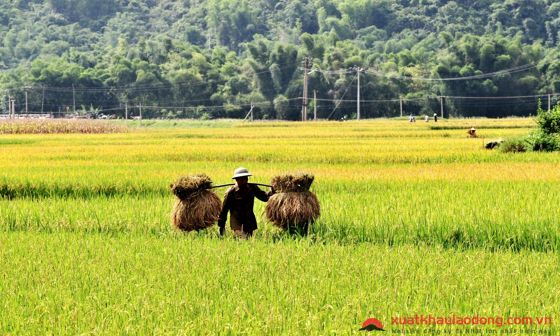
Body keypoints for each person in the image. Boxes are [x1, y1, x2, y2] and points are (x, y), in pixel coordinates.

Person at [218, 167, 273, 238]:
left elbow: (264, 197)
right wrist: (221, 226)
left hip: (249, 220)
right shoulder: (230, 192)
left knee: (249, 240)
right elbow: (224, 210)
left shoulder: (252, 188)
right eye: (242, 179)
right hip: (237, 222)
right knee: (244, 239)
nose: (244, 181)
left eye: (246, 178)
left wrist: (273, 192)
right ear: (237, 180)